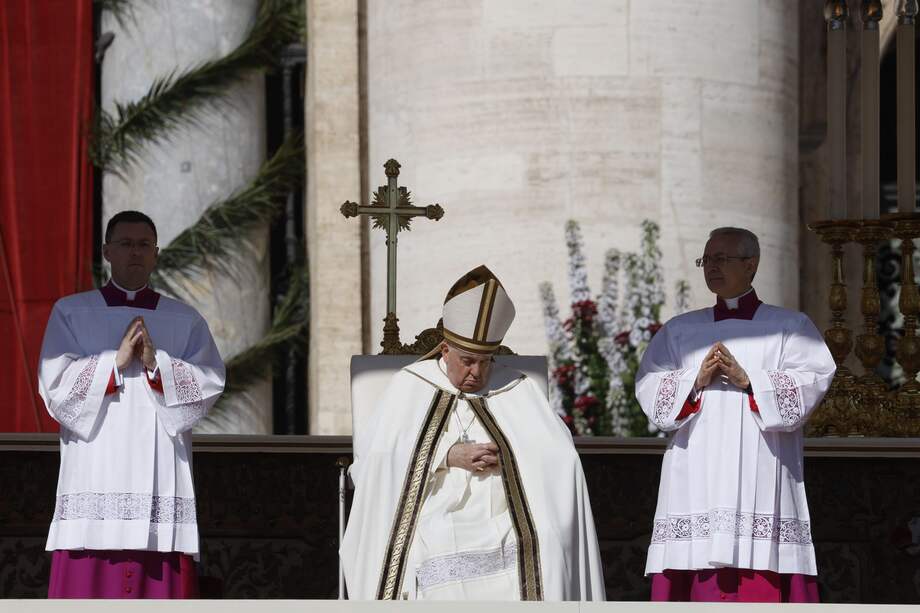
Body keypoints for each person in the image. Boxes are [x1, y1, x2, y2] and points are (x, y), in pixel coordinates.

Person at [341, 265, 605, 601]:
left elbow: (561, 458)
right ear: (446, 349)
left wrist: (510, 455)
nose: (476, 372)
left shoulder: (516, 388)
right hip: (435, 507)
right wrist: (446, 455)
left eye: (486, 361)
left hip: (510, 510)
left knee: (548, 543)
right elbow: (374, 460)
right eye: (467, 360)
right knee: (437, 540)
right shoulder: (409, 385)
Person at [635, 227, 835, 603]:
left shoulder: (790, 327)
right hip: (696, 474)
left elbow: (813, 379)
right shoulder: (680, 330)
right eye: (706, 259)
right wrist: (694, 380)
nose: (711, 267)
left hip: (763, 464)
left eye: (721, 259)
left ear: (751, 264)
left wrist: (751, 381)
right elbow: (649, 388)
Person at [38, 210, 225, 598]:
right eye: (125, 244)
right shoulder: (70, 312)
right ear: (107, 251)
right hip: (94, 471)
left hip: (159, 474)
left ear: (156, 254)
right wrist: (114, 363)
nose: (134, 253)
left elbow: (210, 383)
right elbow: (54, 389)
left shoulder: (184, 319)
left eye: (143, 245)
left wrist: (158, 364)